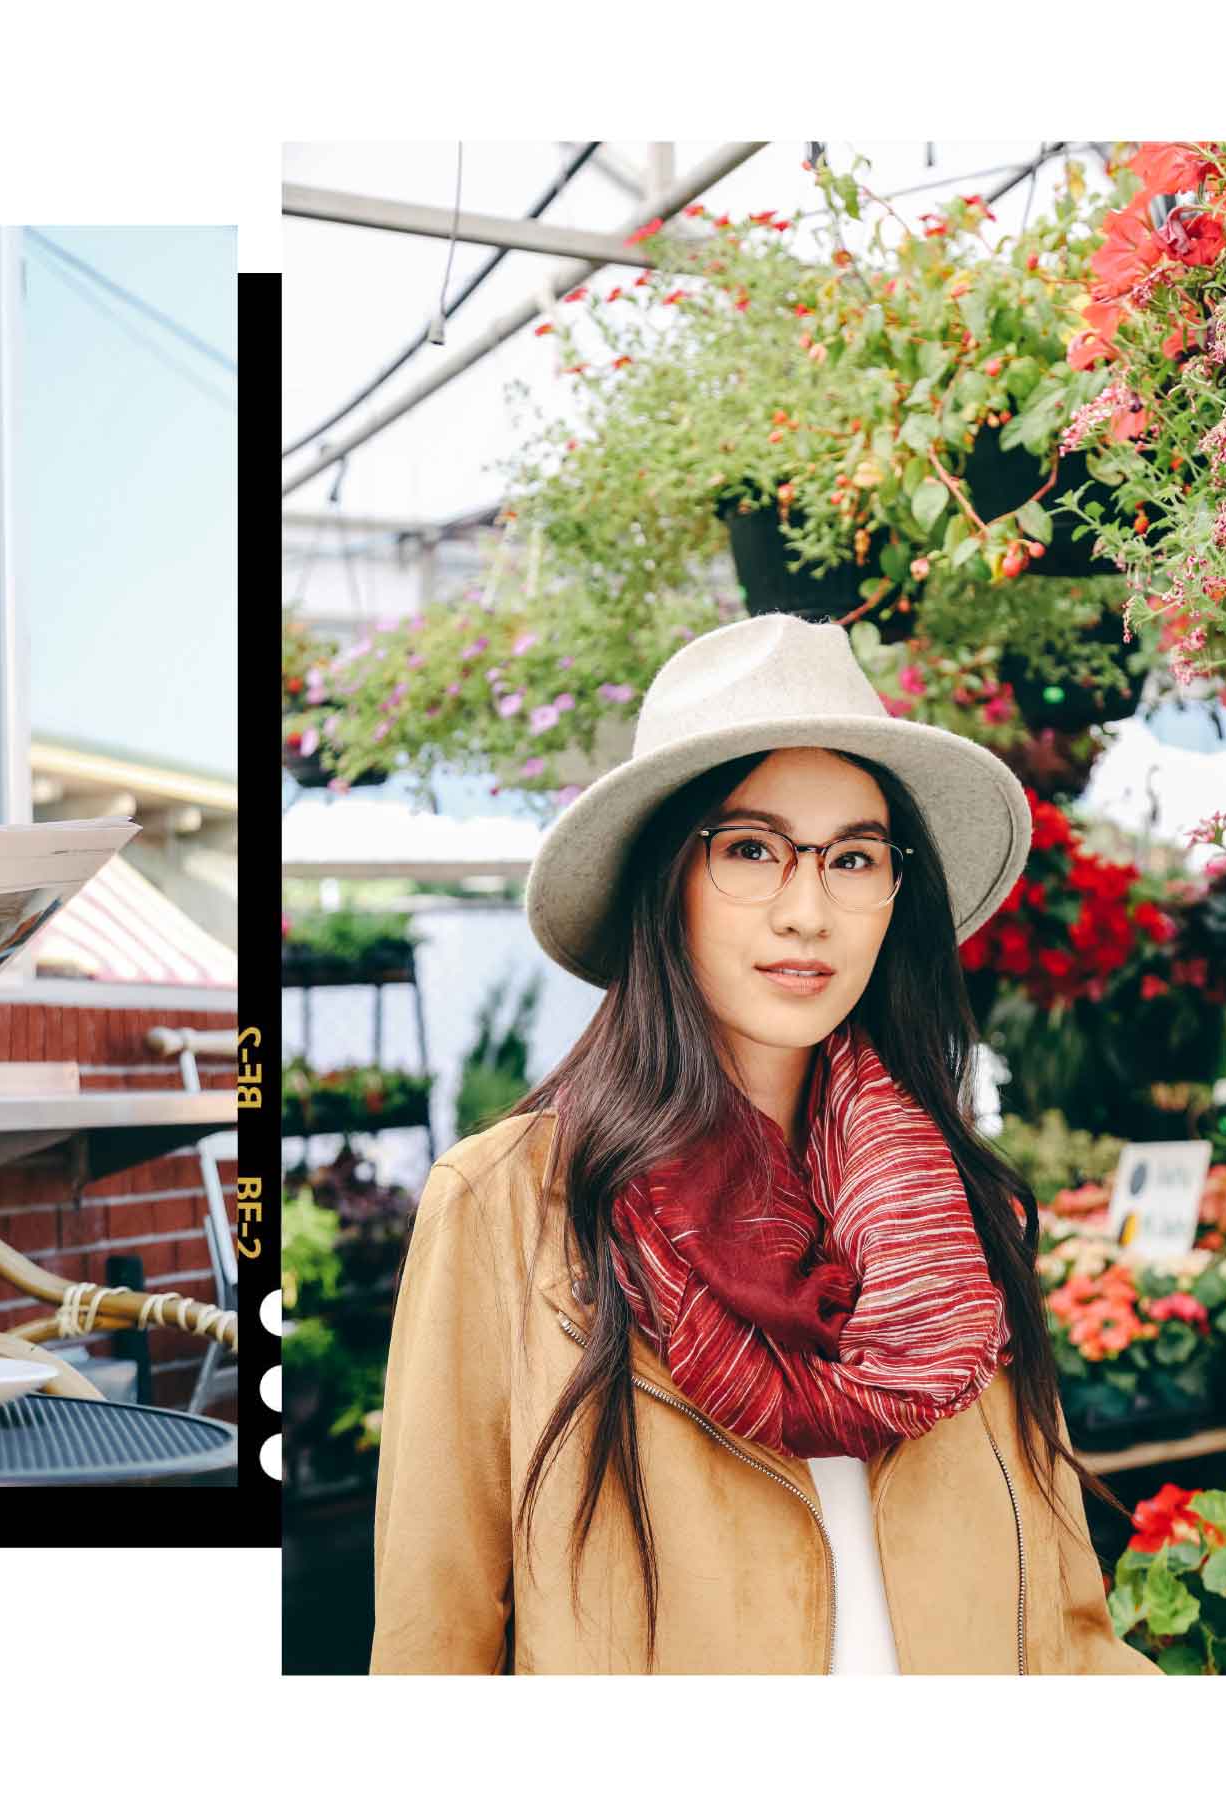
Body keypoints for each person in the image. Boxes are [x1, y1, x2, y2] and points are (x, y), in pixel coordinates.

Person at [370, 613, 1159, 1673]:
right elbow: (434, 1644)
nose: (807, 910)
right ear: (667, 884)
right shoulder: (510, 1203)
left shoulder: (955, 1211)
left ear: (894, 894)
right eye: (750, 848)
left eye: (853, 856)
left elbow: (1070, 1633)